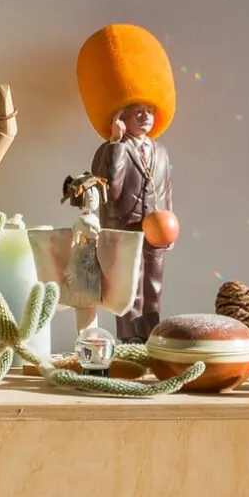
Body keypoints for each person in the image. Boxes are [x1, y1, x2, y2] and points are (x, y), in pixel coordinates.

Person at [90, 102, 172, 343]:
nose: (146, 117)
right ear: (121, 117)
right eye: (138, 112)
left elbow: (166, 190)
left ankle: (151, 335)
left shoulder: (161, 151)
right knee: (130, 286)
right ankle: (131, 337)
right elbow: (110, 190)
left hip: (156, 229)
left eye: (150, 111)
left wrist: (169, 226)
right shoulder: (110, 149)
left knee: (153, 286)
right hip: (125, 228)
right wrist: (116, 143)